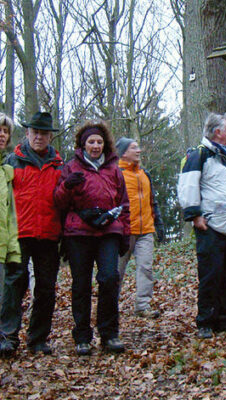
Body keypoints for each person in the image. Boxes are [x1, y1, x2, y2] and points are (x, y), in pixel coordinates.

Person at [54, 120, 130, 356]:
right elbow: (58, 202)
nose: (95, 146)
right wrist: (66, 186)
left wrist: (124, 234)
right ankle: (82, 337)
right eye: (91, 142)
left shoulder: (114, 169)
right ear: (83, 144)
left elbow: (124, 204)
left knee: (109, 278)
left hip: (108, 231)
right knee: (81, 285)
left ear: (104, 143)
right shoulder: (70, 168)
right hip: (79, 232)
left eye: (98, 141)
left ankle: (109, 334)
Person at [177, 112, 226, 339]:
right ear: (218, 132)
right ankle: (206, 322)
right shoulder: (199, 155)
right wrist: (195, 216)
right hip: (212, 227)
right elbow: (187, 185)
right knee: (211, 275)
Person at [0, 111, 63, 356]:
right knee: (14, 284)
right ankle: (7, 337)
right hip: (18, 233)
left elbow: (64, 202)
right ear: (27, 134)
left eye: (43, 133)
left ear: (49, 137)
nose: (39, 137)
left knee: (46, 287)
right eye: (35, 132)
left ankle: (38, 339)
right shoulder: (11, 162)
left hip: (49, 234)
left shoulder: (59, 165)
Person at [115, 138, 164, 318]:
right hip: (123, 232)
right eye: (134, 148)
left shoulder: (145, 174)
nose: (139, 150)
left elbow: (153, 201)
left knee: (146, 268)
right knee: (117, 271)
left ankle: (142, 306)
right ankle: (111, 306)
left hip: (146, 231)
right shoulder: (116, 174)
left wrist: (158, 225)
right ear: (123, 153)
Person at [0, 114, 21, 309]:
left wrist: (13, 249)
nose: (2, 135)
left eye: (5, 131)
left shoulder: (7, 170)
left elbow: (10, 216)